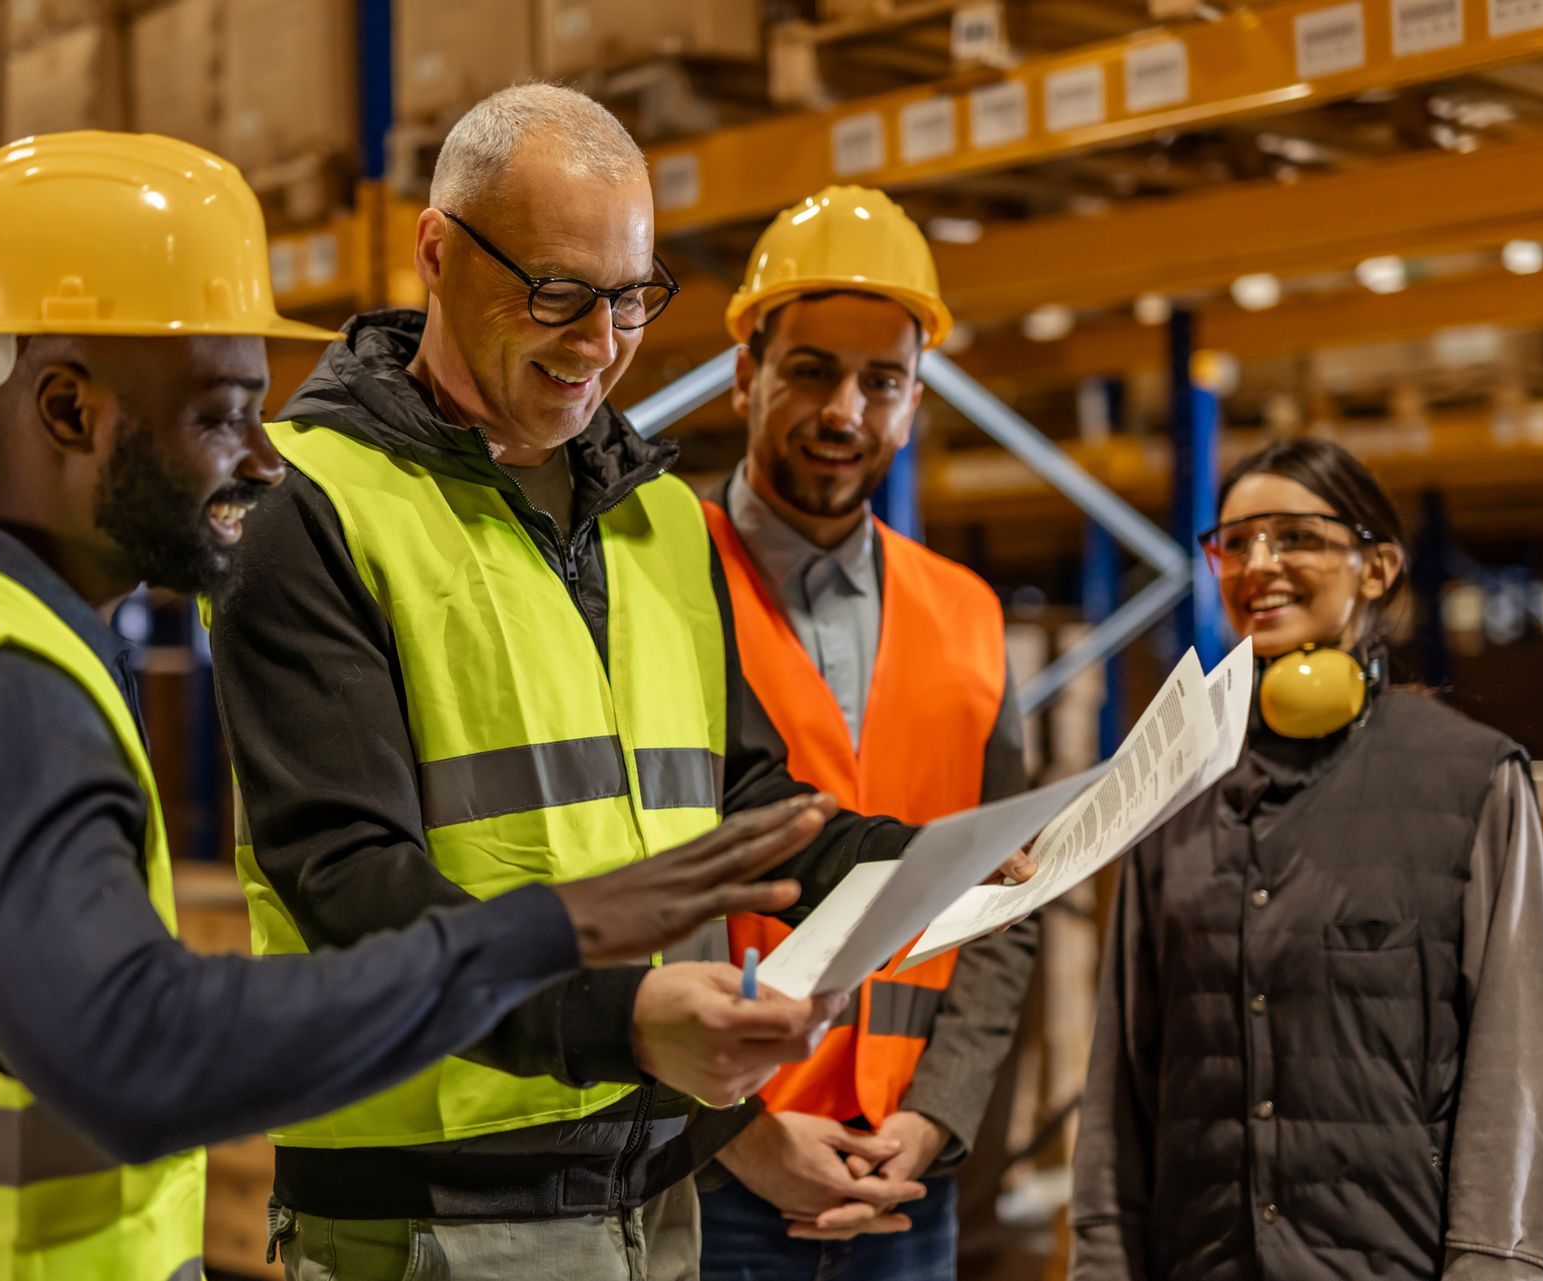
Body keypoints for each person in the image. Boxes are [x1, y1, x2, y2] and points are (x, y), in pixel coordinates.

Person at [0, 131, 844, 1281]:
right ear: (68, 410)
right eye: (221, 413)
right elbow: (141, 1048)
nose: (265, 461)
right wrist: (558, 941)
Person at [208, 86, 1030, 1279]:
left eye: (631, 299)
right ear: (436, 252)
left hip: (651, 1199)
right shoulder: (307, 507)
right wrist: (626, 1026)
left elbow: (738, 796)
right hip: (436, 1213)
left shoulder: (655, 519)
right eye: (557, 294)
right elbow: (348, 880)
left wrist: (921, 866)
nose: (599, 345)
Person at [1069, 437, 1543, 1280]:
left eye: (1294, 536)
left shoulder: (1472, 777)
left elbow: (1516, 1065)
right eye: (1235, 542)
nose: (1258, 563)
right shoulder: (1170, 787)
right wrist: (1100, 1261)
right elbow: (1122, 1072)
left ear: (1376, 568)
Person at [692, 187, 1038, 1281]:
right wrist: (736, 1134)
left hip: (903, 1185)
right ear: (746, 374)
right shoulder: (652, 584)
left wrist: (935, 1120)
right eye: (810, 371)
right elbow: (613, 881)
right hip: (710, 1174)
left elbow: (1003, 909)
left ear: (914, 401)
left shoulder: (970, 616)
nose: (845, 410)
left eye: (881, 382)